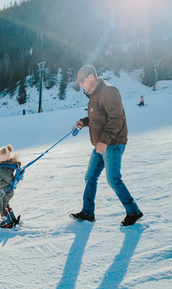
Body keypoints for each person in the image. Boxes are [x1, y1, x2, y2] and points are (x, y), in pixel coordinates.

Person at [70, 65, 143, 226]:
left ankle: (134, 211)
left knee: (113, 179)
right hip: (100, 144)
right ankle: (88, 212)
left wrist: (105, 140)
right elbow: (99, 117)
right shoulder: (94, 96)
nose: (81, 85)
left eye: (82, 81)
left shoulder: (110, 92)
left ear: (91, 77)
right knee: (90, 177)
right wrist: (85, 122)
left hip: (113, 143)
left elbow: (116, 118)